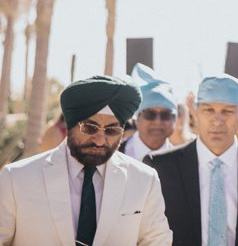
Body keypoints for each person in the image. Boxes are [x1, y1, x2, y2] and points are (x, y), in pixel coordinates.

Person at [0, 75, 172, 245]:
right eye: (90, 128)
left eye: (112, 130)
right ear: (70, 125)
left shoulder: (144, 180)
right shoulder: (16, 178)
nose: (100, 140)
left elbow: (157, 241)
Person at [145, 74, 238, 246]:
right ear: (196, 113)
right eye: (208, 110)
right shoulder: (161, 167)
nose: (217, 120)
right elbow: (147, 236)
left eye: (227, 111)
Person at [122, 63, 178, 160]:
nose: (158, 121)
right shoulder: (113, 155)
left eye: (165, 115)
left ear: (174, 120)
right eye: (150, 114)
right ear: (136, 119)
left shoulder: (186, 162)